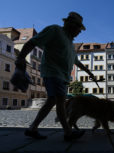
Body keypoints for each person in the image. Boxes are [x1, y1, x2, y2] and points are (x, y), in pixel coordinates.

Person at [15, 12, 96, 141]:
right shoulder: (55, 30)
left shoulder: (70, 43)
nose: (79, 32)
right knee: (60, 101)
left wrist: (90, 73)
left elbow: (77, 62)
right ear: (70, 24)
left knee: (51, 101)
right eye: (78, 28)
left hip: (62, 76)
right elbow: (33, 42)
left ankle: (32, 128)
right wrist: (20, 57)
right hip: (52, 72)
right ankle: (68, 132)